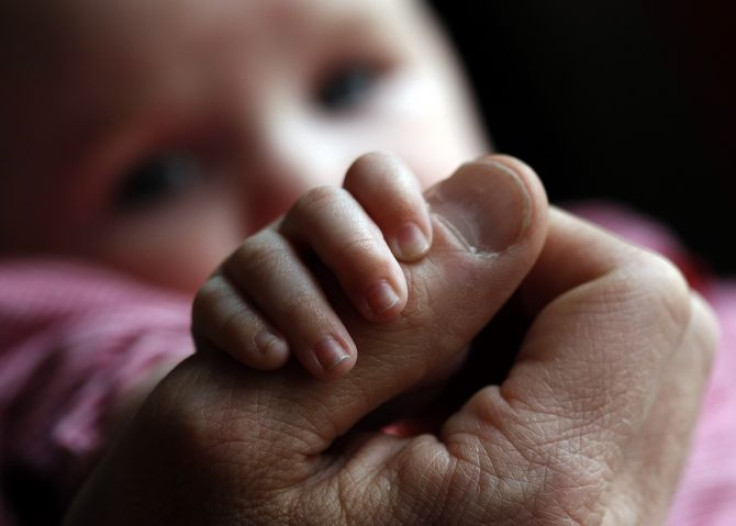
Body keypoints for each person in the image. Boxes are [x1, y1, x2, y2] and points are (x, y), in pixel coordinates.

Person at [0, 0, 724, 524]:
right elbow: (81, 366)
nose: (309, 177)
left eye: (346, 86)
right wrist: (201, 383)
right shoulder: (76, 332)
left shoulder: (612, 247)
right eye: (157, 178)